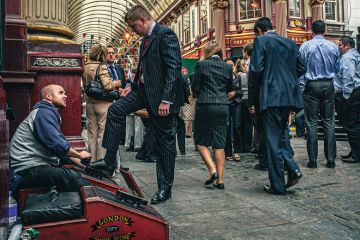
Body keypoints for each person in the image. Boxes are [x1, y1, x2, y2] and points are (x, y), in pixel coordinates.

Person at [90, 5, 185, 204]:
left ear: (142, 20)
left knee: (164, 143)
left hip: (161, 98)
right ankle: (108, 162)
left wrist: (166, 99)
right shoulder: (145, 40)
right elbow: (142, 69)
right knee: (115, 110)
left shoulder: (165, 34)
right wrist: (131, 87)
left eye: (134, 26)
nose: (133, 30)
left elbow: (173, 69)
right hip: (142, 92)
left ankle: (165, 189)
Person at [249, 17, 305, 195]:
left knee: (273, 140)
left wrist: (252, 100)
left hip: (271, 96)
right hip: (288, 96)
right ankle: (292, 169)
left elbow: (256, 70)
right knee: (281, 136)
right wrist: (287, 78)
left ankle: (278, 185)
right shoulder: (290, 42)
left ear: (259, 29)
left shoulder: (261, 40)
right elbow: (302, 67)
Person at [10, 84, 92, 193]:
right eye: (61, 93)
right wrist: (79, 155)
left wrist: (84, 165)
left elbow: (60, 146)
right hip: (23, 173)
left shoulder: (47, 113)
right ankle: (96, 203)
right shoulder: (43, 113)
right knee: (69, 176)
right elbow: (57, 144)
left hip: (34, 167)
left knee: (71, 170)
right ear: (49, 96)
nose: (65, 96)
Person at [299, 20, 340, 169]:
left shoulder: (305, 46)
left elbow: (301, 69)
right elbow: (337, 68)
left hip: (311, 85)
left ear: (311, 30)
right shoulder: (333, 46)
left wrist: (302, 87)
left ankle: (313, 160)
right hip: (328, 84)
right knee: (329, 121)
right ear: (325, 30)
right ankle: (330, 159)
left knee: (311, 122)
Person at [192, 40, 233, 190]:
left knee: (200, 141)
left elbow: (195, 86)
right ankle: (220, 180)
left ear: (207, 52)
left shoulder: (202, 65)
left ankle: (212, 170)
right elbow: (230, 88)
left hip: (205, 105)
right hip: (222, 106)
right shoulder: (227, 67)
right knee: (220, 143)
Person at [82, 44, 122, 162]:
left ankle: (92, 161)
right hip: (103, 103)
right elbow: (107, 85)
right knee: (102, 135)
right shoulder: (102, 67)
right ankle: (101, 162)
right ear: (102, 54)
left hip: (90, 104)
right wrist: (116, 83)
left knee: (92, 135)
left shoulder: (85, 66)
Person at [334, 36, 360, 163]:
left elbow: (348, 77)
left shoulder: (348, 57)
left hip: (351, 94)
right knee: (353, 124)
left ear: (348, 45)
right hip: (355, 93)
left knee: (351, 124)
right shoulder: (355, 55)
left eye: (340, 45)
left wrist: (346, 96)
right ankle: (355, 151)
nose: (338, 47)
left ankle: (356, 154)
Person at [224, 58, 243, 161]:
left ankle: (236, 151)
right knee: (227, 128)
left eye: (232, 65)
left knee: (236, 127)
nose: (231, 67)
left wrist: (235, 93)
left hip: (236, 104)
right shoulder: (222, 77)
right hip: (226, 103)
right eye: (229, 65)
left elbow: (241, 92)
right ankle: (228, 152)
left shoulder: (237, 77)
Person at [239, 43, 253, 153]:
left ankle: (243, 145)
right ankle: (248, 145)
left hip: (242, 100)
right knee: (248, 123)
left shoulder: (239, 75)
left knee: (243, 123)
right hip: (249, 99)